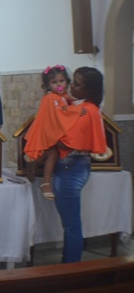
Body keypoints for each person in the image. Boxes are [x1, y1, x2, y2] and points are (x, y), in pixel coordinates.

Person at [52, 67, 107, 263]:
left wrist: (49, 134)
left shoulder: (86, 110)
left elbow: (67, 142)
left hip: (70, 167)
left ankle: (71, 267)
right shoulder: (82, 106)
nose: (71, 86)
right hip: (74, 165)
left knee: (72, 225)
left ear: (88, 90)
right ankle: (69, 264)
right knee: (71, 224)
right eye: (72, 81)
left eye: (77, 84)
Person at [24, 66, 84, 199]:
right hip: (48, 131)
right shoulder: (50, 98)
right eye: (54, 82)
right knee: (53, 153)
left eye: (61, 81)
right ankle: (46, 183)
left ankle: (33, 165)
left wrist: (76, 105)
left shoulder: (64, 97)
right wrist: (77, 111)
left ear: (67, 81)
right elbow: (60, 113)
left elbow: (69, 107)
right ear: (47, 85)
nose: (59, 85)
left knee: (50, 153)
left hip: (56, 132)